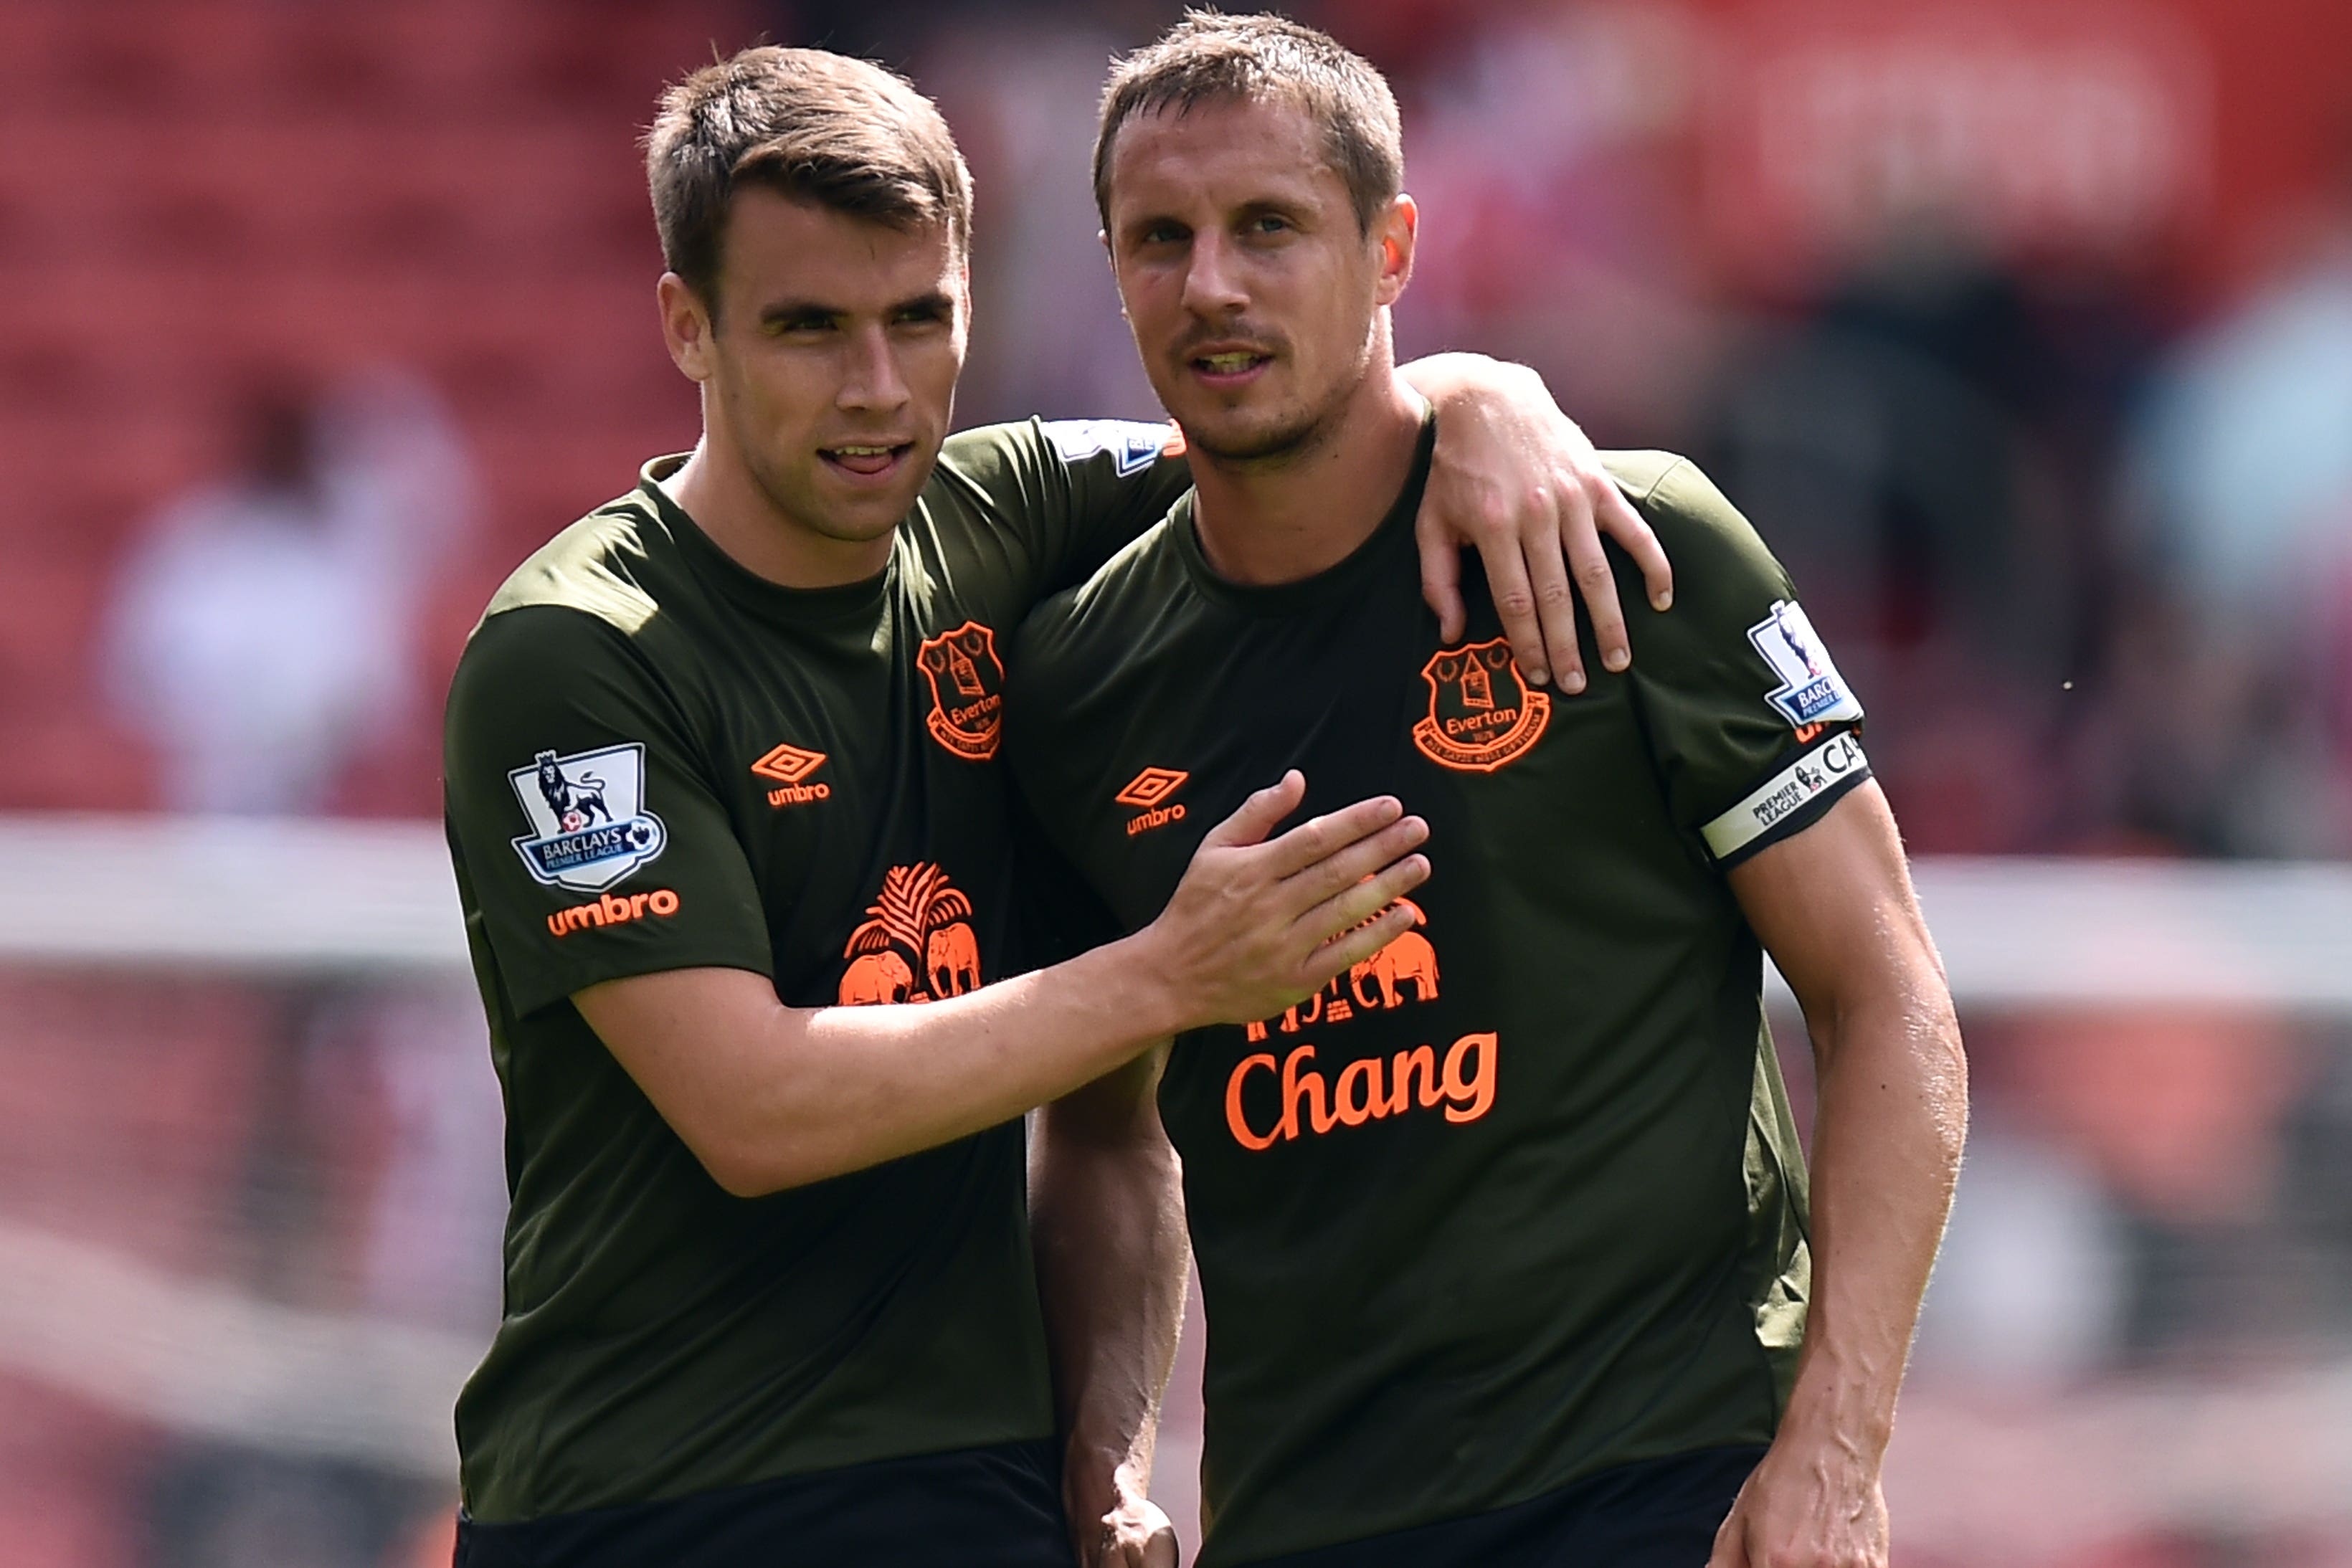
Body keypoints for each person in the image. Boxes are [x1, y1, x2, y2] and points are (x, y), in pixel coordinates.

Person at [439, 44, 1671, 1568]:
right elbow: (751, 1106)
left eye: (917, 320)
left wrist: (1481, 393)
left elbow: (1298, 428)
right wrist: (1168, 973)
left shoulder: (1002, 514)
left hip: (974, 1487)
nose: (877, 389)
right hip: (650, 1493)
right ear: (687, 327)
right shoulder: (575, 658)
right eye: (807, 328)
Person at [1004, 16, 1968, 1568]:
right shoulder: (1075, 682)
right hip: (1305, 1521)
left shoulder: (1627, 548)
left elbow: (1885, 995)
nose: (1211, 285)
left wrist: (1834, 1453)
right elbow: (1106, 1132)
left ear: (1388, 246)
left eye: (1268, 227)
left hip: (1670, 1490)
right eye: (1157, 239)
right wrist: (1105, 1454)